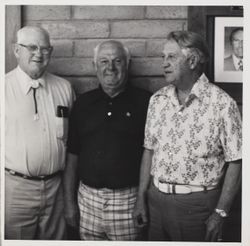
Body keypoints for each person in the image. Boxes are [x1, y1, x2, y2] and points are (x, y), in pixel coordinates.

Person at [133, 31, 242, 242]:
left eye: (171, 57)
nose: (164, 63)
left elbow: (237, 162)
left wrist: (220, 213)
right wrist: (141, 199)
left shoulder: (222, 103)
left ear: (192, 61)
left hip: (198, 206)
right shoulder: (158, 100)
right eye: (163, 57)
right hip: (155, 201)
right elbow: (149, 151)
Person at [63, 40, 151, 240]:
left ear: (127, 65)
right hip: (87, 200)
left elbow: (152, 155)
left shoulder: (146, 102)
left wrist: (141, 200)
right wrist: (69, 204)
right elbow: (72, 157)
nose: (110, 67)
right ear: (95, 66)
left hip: (128, 201)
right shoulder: (83, 103)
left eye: (117, 61)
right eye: (103, 61)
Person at [5, 26, 75, 239]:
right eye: (32, 47)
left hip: (56, 189)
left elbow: (72, 139)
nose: (39, 53)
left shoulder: (64, 88)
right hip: (15, 191)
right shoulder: (3, 87)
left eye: (45, 48)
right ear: (17, 50)